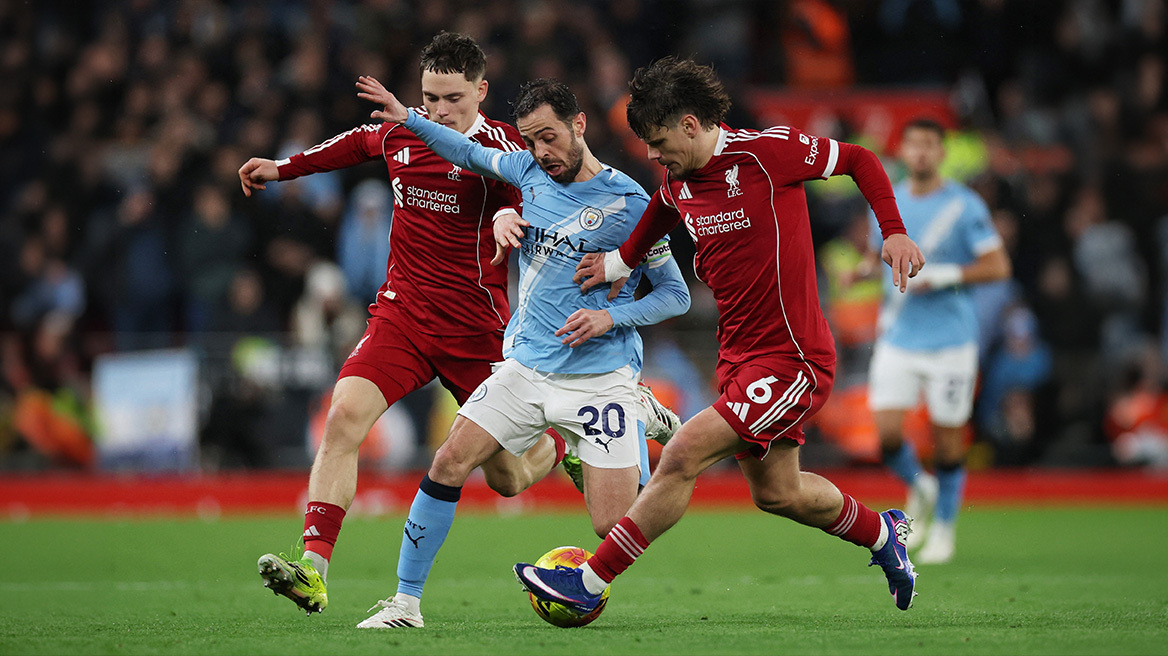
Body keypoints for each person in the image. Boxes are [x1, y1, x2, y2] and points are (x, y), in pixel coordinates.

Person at [238, 33, 679, 620]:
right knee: (345, 413)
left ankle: (555, 446)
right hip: (403, 313)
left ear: (481, 91)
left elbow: (522, 191)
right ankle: (316, 570)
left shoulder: (514, 147)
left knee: (508, 480)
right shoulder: (406, 129)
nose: (437, 110)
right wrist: (285, 168)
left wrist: (503, 217)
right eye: (428, 97)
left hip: (477, 326)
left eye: (450, 98)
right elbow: (354, 144)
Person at [515, 57, 927, 615]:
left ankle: (585, 582)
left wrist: (894, 232)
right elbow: (659, 213)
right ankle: (884, 533)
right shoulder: (677, 182)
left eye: (659, 142)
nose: (655, 157)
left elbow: (859, 158)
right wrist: (617, 263)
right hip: (737, 356)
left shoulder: (767, 153)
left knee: (683, 451)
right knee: (778, 492)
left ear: (690, 124)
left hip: (792, 358)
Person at [352, 75, 690, 628]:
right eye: (531, 140)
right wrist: (405, 116)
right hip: (525, 369)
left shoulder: (629, 203)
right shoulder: (527, 172)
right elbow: (463, 148)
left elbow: (676, 295)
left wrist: (611, 315)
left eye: (551, 137)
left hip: (599, 378)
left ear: (579, 125)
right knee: (448, 461)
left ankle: (643, 411)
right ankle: (405, 604)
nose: (542, 152)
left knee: (613, 526)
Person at [860, 118, 1011, 564]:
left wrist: (946, 274)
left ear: (942, 153)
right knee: (886, 435)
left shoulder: (964, 206)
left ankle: (944, 528)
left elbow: (998, 266)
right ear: (902, 151)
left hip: (950, 341)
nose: (921, 153)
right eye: (913, 145)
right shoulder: (886, 203)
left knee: (948, 441)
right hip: (900, 334)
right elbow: (878, 255)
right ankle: (920, 486)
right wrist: (862, 272)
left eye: (929, 145)